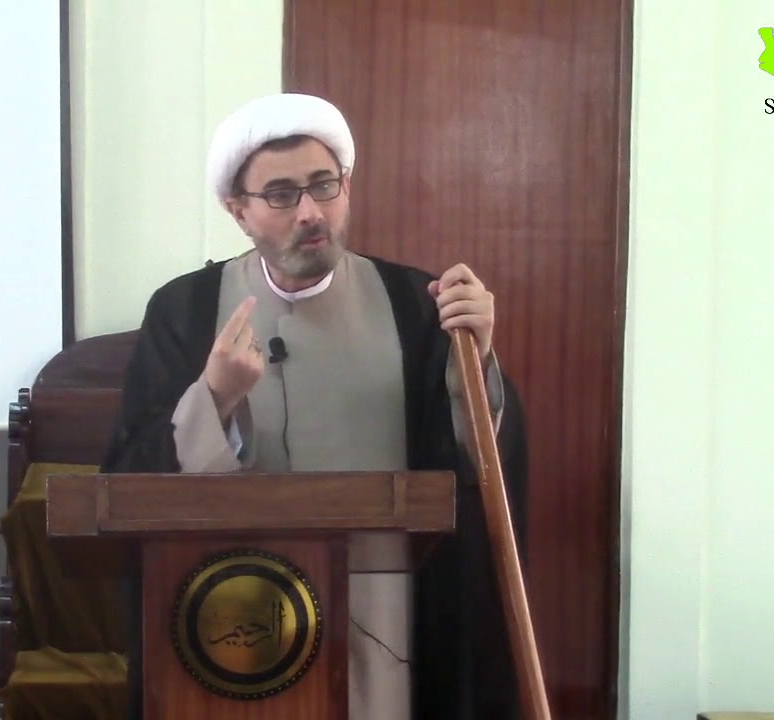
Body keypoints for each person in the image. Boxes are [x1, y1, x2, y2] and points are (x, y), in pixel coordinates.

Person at [100, 92, 529, 720]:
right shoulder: (184, 311)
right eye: (280, 195)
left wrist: (477, 357)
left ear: (346, 187)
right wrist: (215, 397)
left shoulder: (417, 304)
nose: (310, 212)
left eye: (324, 186)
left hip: (384, 615)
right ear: (238, 211)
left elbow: (476, 467)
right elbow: (131, 477)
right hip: (229, 613)